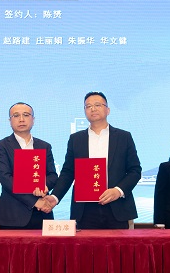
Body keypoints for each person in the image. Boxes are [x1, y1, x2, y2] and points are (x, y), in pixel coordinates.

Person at [45, 92, 141, 229]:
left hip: (116, 207)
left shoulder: (123, 137)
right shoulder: (76, 139)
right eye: (88, 106)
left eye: (97, 105)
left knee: (118, 244)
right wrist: (55, 197)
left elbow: (135, 171)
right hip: (85, 209)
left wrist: (118, 191)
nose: (93, 109)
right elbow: (68, 172)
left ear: (108, 110)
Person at [0, 102, 58, 229]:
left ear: (33, 119)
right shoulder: (1, 146)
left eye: (26, 115)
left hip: (42, 213)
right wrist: (35, 201)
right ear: (10, 121)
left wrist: (44, 185)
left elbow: (52, 175)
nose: (21, 119)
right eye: (16, 115)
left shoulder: (44, 146)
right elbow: (6, 180)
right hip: (13, 216)